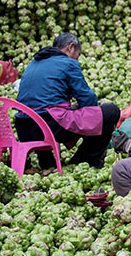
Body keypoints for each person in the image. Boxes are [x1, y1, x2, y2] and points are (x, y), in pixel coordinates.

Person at [15, 33, 119, 169]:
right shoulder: (68, 63)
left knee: (41, 110)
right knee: (110, 112)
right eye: (78, 54)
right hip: (49, 126)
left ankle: (47, 163)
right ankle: (84, 160)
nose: (78, 59)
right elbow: (87, 99)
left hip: (24, 129)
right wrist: (91, 113)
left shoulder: (34, 63)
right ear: (71, 47)